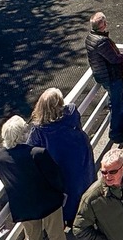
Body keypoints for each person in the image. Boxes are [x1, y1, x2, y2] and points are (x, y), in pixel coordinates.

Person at [0, 116, 70, 240]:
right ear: (23, 134)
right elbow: (54, 176)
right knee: (55, 233)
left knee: (33, 239)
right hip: (47, 201)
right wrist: (61, 191)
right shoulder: (37, 153)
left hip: (23, 205)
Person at [27, 88, 95, 227]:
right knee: (84, 183)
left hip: (58, 163)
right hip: (79, 154)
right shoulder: (71, 111)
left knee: (66, 192)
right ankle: (88, 212)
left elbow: (30, 148)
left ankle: (70, 219)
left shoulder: (39, 128)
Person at [85, 11, 123, 143]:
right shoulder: (102, 41)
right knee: (117, 105)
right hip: (111, 78)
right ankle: (115, 133)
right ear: (103, 24)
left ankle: (121, 125)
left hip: (103, 76)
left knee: (115, 103)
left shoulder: (90, 37)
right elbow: (115, 59)